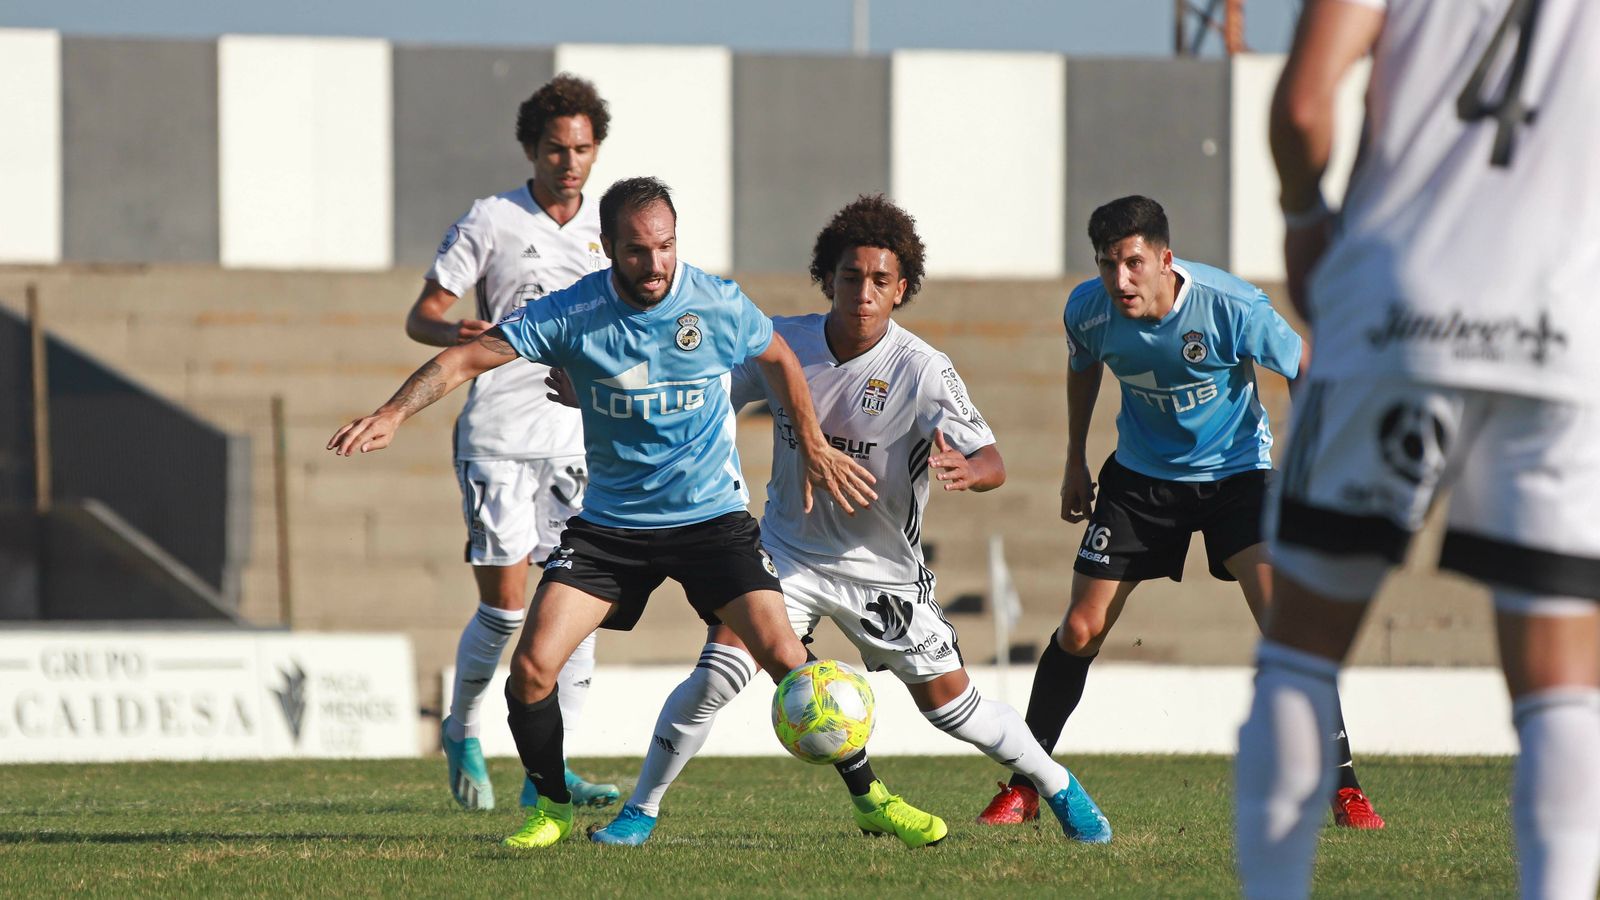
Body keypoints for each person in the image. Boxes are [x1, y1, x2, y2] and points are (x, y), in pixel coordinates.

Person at [331, 176, 909, 850]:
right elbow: (465, 358)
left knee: (790, 661)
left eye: (666, 247)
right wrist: (393, 412)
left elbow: (776, 355)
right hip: (611, 527)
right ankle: (548, 807)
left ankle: (872, 799)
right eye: (637, 251)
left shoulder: (715, 300)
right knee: (532, 669)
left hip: (711, 522)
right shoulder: (572, 312)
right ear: (606, 248)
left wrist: (811, 444)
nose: (656, 264)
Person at [579, 195, 1113, 848]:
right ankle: (641, 811)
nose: (863, 293)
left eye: (880, 281)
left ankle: (1058, 785)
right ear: (827, 277)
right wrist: (600, 387)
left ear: (901, 290)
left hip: (880, 569)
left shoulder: (921, 370)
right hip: (784, 555)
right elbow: (694, 387)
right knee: (716, 675)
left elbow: (991, 458)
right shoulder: (783, 344)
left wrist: (971, 471)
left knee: (954, 711)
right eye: (851, 276)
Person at [1235, 2, 1600, 897]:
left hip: (1392, 317)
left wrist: (1302, 213)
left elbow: (1302, 109)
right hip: (1560, 329)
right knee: (1560, 680)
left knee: (1303, 650)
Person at [975, 194, 1384, 830]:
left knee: (1285, 624)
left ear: (1165, 259)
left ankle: (1345, 788)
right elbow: (1083, 366)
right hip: (1140, 480)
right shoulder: (1088, 309)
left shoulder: (1231, 305)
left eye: (1133, 263)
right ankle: (1027, 786)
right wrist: (1075, 460)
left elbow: (1307, 367)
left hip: (1238, 479)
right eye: (1108, 264)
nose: (1120, 279)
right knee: (1081, 629)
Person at [404, 74, 617, 813]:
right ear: (531, 149)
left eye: (582, 149)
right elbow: (424, 315)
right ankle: (462, 728)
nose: (569, 162)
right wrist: (456, 330)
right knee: (505, 608)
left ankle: (546, 775)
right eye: (556, 148)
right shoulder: (492, 219)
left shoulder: (610, 231)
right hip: (497, 432)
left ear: (597, 152)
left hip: (577, 435)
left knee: (582, 599)